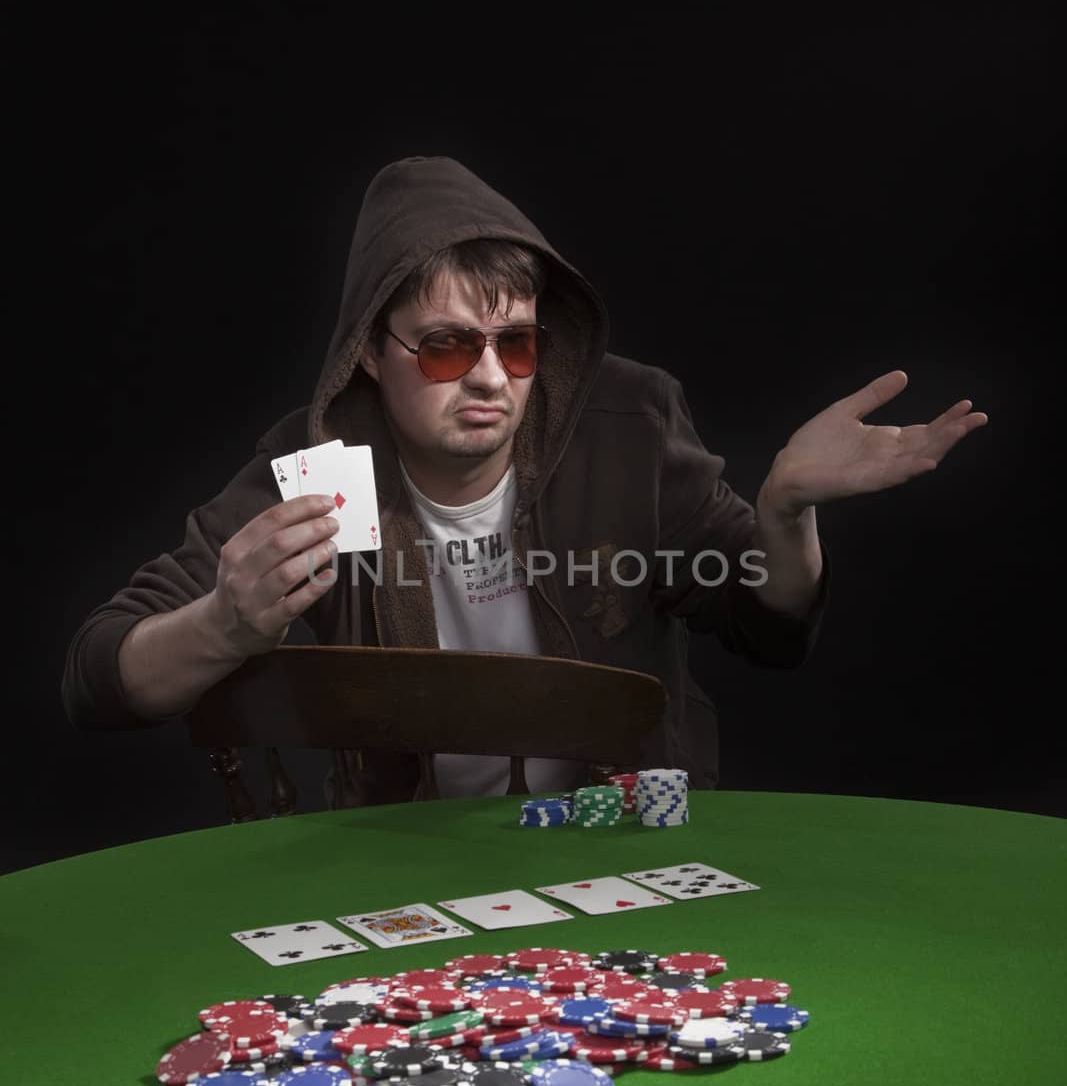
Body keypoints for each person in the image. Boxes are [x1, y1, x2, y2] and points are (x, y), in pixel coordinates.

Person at [61, 155, 987, 808]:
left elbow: (764, 627)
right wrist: (223, 622)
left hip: (622, 840)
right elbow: (99, 680)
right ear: (369, 359)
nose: (491, 377)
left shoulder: (627, 425)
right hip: (403, 859)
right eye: (447, 345)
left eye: (516, 342)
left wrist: (784, 512)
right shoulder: (319, 468)